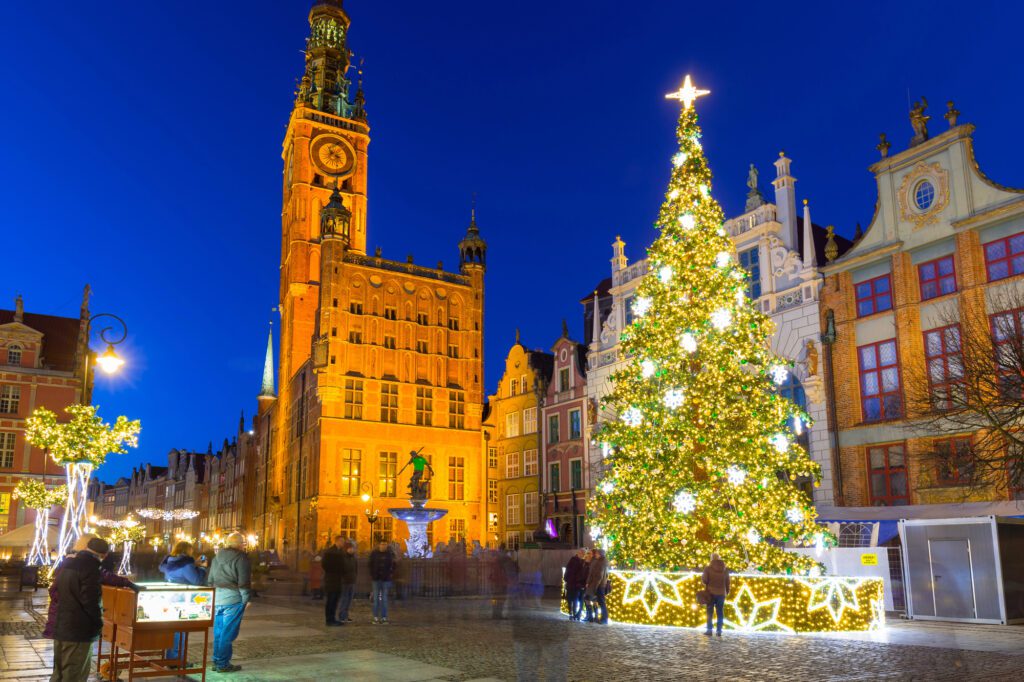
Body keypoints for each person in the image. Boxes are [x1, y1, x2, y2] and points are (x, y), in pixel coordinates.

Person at [50, 536, 110, 682]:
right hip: (79, 630)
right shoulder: (91, 568)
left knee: (59, 673)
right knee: (74, 674)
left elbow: (55, 591)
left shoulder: (68, 564)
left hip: (61, 625)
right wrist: (98, 623)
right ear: (104, 555)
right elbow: (90, 601)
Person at [207, 532, 252, 673]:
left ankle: (217, 661)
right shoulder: (241, 557)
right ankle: (222, 664)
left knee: (219, 632)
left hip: (217, 598)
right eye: (243, 543)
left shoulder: (217, 557)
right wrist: (246, 599)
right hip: (233, 599)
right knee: (228, 633)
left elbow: (210, 580)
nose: (244, 545)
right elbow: (243, 581)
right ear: (239, 544)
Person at [159, 541, 208, 664]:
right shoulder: (186, 565)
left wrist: (194, 564)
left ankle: (171, 658)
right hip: (182, 600)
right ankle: (176, 660)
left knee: (173, 630)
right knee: (181, 630)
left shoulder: (170, 562)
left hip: (170, 599)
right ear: (187, 551)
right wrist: (202, 568)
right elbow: (196, 580)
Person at [321, 536, 348, 626]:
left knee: (335, 600)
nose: (343, 543)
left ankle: (333, 618)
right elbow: (325, 565)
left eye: (343, 541)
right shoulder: (330, 552)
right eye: (342, 541)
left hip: (338, 579)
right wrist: (335, 570)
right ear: (337, 541)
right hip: (331, 579)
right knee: (331, 600)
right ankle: (329, 620)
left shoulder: (340, 552)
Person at [702, 552, 730, 637]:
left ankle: (709, 630)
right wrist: (726, 591)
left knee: (709, 612)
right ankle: (719, 630)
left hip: (710, 593)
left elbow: (704, 580)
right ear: (719, 558)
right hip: (721, 593)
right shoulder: (725, 569)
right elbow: (727, 582)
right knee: (720, 612)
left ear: (711, 558)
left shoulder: (708, 568)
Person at [368, 540, 395, 624]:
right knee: (376, 599)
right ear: (379, 545)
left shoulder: (389, 554)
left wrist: (390, 573)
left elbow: (393, 565)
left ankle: (384, 617)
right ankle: (375, 617)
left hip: (385, 579)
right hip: (376, 579)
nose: (383, 546)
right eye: (382, 544)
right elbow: (370, 564)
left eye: (385, 545)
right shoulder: (374, 554)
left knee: (384, 599)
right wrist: (373, 574)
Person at [584, 548, 608, 624]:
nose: (596, 555)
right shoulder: (599, 561)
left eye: (597, 553)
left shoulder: (601, 562)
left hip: (599, 585)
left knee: (601, 602)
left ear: (600, 554)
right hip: (597, 585)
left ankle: (604, 619)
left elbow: (599, 576)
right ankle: (600, 618)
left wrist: (595, 586)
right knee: (599, 601)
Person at [563, 548, 587, 621]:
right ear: (578, 553)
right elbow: (568, 570)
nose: (582, 555)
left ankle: (574, 614)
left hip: (577, 584)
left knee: (575, 599)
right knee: (570, 598)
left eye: (584, 553)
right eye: (582, 553)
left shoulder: (583, 562)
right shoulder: (573, 560)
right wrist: (566, 579)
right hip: (571, 582)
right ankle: (571, 613)